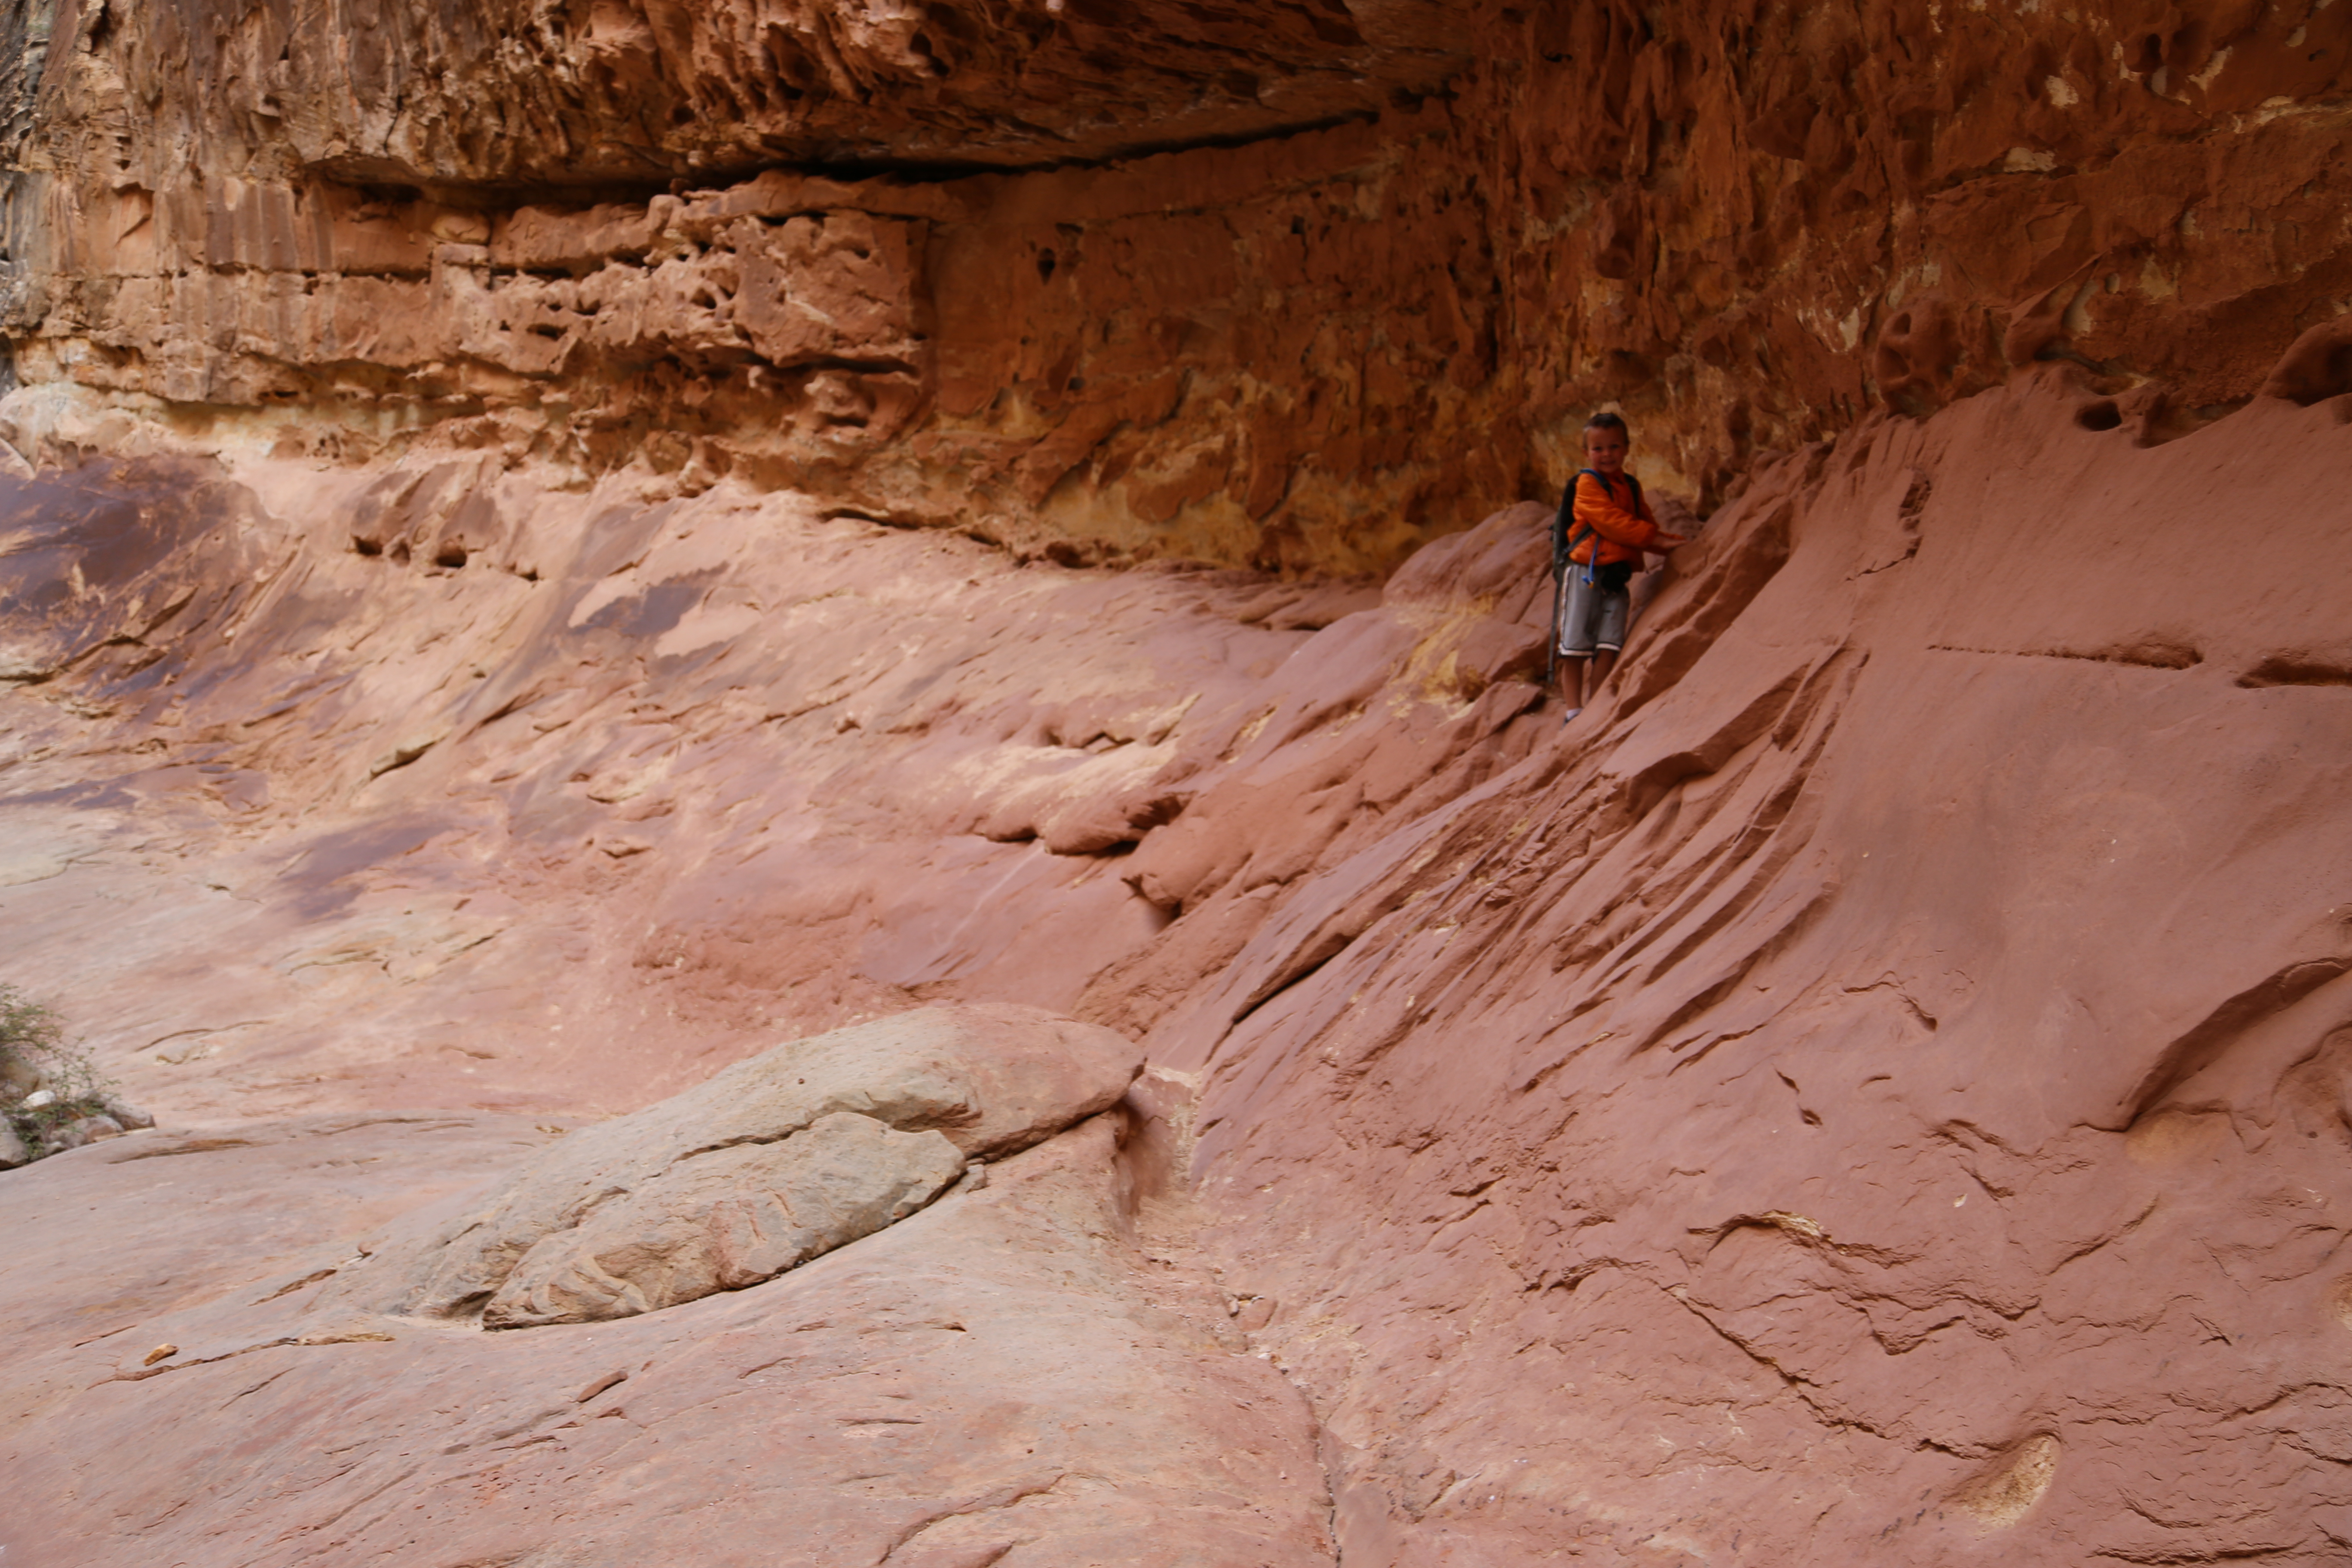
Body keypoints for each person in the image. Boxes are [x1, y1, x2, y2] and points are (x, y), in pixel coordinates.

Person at [1549, 412, 1687, 720]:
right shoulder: (1587, 483)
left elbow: (1641, 524)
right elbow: (1613, 524)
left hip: (1616, 575)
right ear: (1586, 454)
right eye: (1598, 449)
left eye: (1614, 447)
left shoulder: (1631, 485)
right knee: (1575, 645)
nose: (1607, 455)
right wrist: (1658, 541)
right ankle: (1573, 712)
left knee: (1609, 643)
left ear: (1626, 448)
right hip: (1586, 571)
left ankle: (1595, 708)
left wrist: (1669, 541)